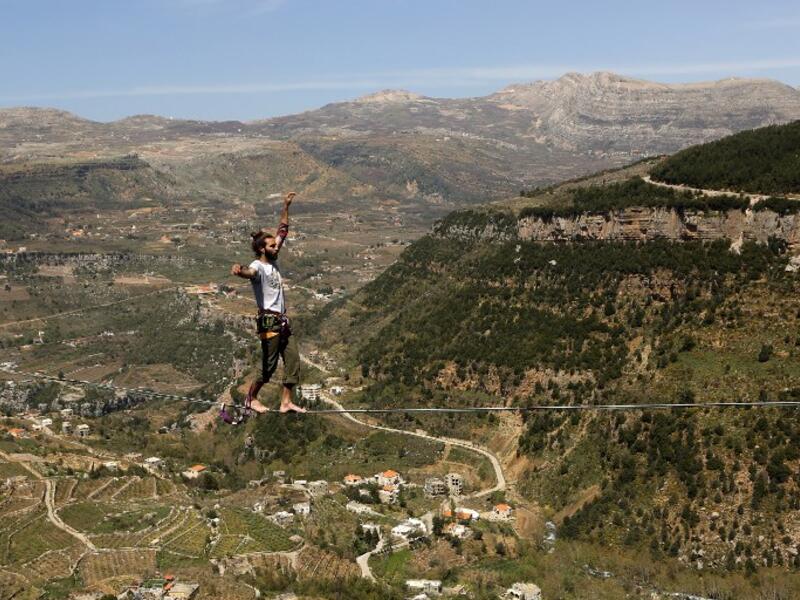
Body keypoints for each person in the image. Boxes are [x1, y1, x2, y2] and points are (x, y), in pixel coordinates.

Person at [230, 191, 306, 414]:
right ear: (263, 249)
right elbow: (249, 272)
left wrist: (286, 206)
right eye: (272, 246)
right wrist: (239, 270)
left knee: (293, 363)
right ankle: (251, 398)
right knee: (268, 367)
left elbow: (283, 230)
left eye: (275, 245)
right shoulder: (259, 266)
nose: (276, 247)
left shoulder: (272, 260)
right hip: (269, 323)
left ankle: (286, 402)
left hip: (282, 322)